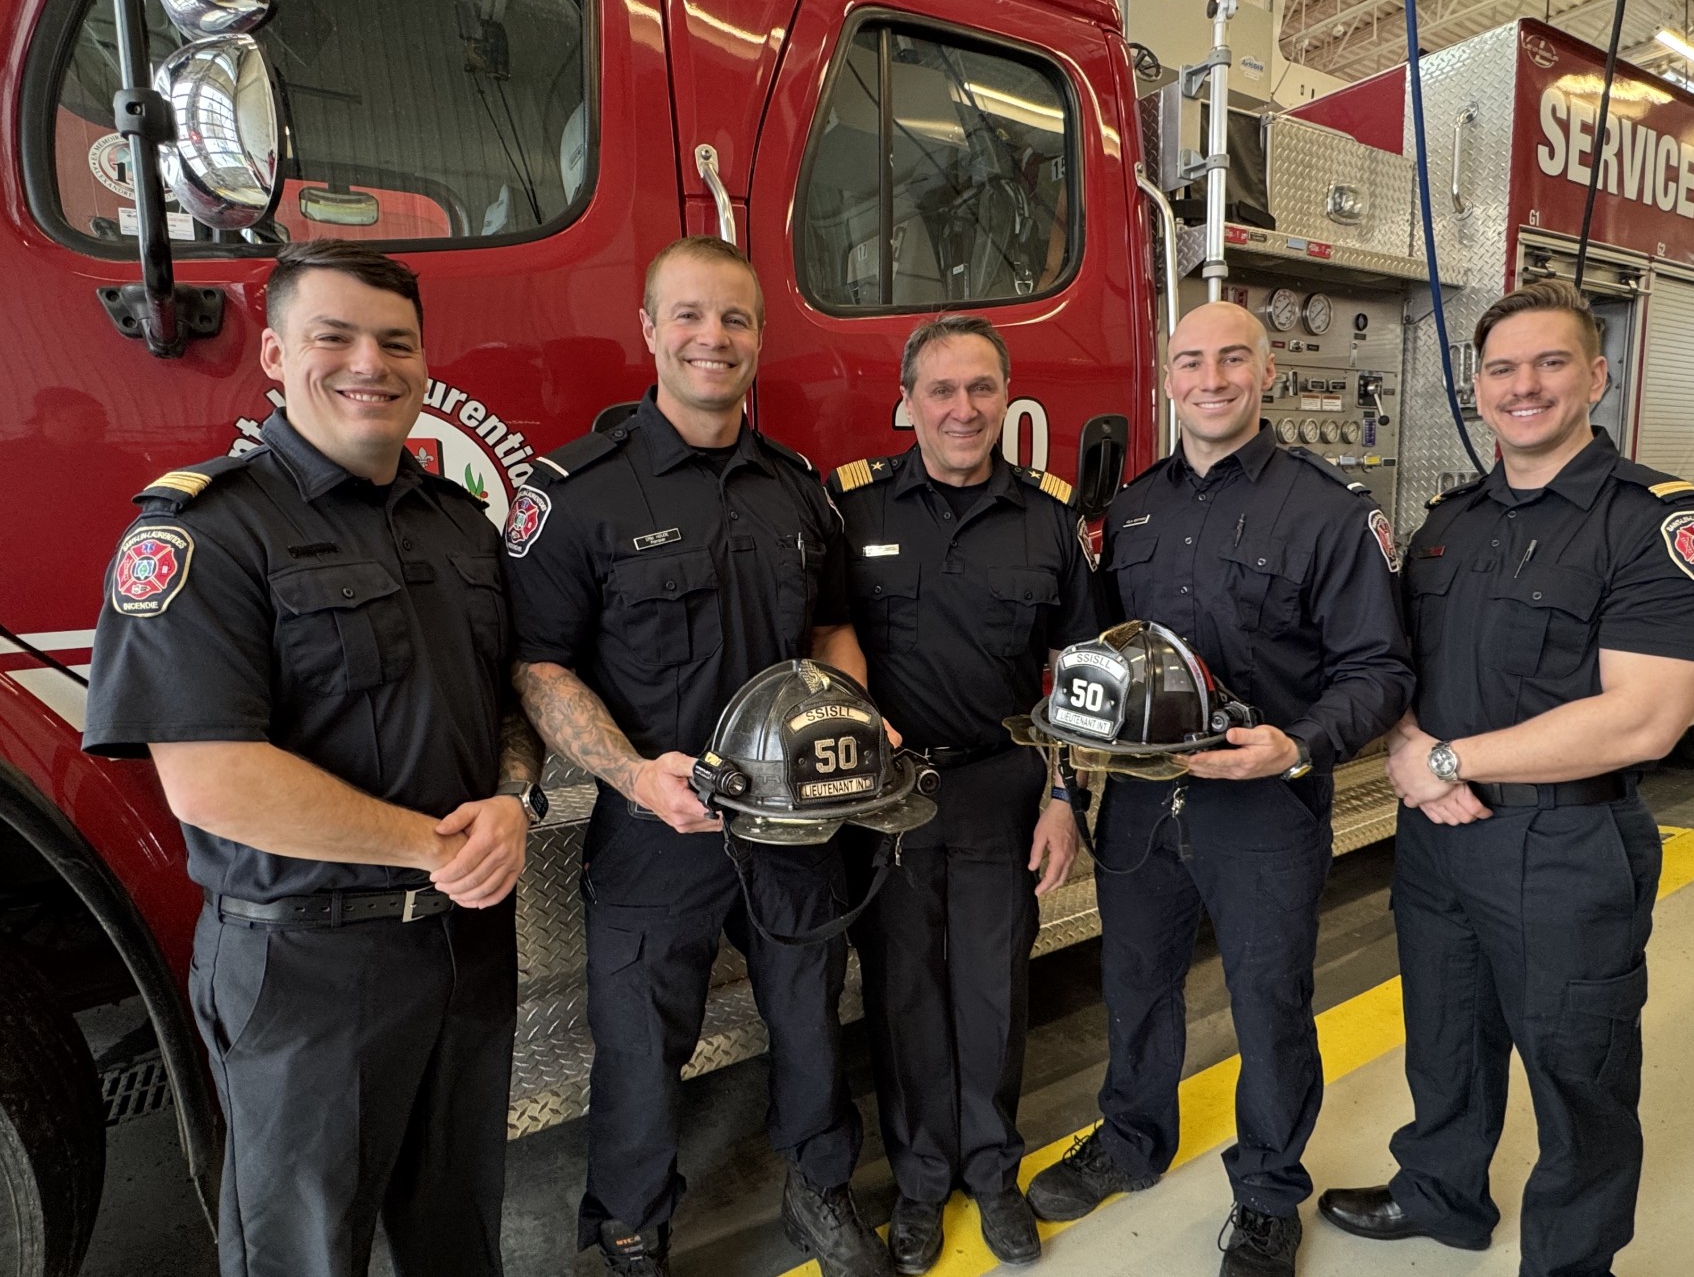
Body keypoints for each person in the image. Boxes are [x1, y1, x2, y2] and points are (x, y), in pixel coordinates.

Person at [83, 239, 535, 1277]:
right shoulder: (208, 531)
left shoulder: (460, 526)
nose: (370, 363)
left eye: (396, 342)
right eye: (335, 337)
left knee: (460, 1236)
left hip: (465, 946)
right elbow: (213, 782)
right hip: (307, 966)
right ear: (278, 356)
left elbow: (506, 706)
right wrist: (435, 847)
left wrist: (515, 798)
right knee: (305, 1256)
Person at [1318, 281, 1694, 1277]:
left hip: (1565, 847)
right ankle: (1442, 1195)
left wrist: (1446, 762)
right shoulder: (1450, 521)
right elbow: (1399, 662)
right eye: (1503, 369)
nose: (1525, 386)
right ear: (1477, 388)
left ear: (1597, 376)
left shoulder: (1657, 525)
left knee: (1577, 1069)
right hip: (1440, 834)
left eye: (1551, 363)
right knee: (1444, 1037)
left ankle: (1570, 1261)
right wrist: (1411, 751)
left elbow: (1645, 717)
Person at [505, 236, 890, 1277]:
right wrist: (634, 777)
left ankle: (820, 1190)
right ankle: (632, 1231)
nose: (711, 337)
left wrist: (851, 716)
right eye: (687, 314)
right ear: (648, 329)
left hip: (793, 823)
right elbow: (537, 667)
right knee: (638, 1045)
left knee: (810, 1016)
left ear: (759, 337)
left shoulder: (798, 489)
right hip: (652, 826)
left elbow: (831, 629)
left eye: (734, 318)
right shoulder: (577, 493)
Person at [1025, 301, 1413, 1277]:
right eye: (1190, 361)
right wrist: (1068, 787)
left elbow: (1380, 669)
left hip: (1265, 806)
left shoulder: (1327, 511)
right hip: (1141, 806)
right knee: (1134, 984)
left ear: (1267, 372)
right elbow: (1088, 670)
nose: (1211, 379)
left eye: (1232, 359)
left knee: (1269, 1003)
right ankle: (1131, 1139)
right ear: (1167, 379)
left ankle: (1270, 1193)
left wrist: (1297, 745)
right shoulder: (1132, 512)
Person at [827, 314, 1099, 1272]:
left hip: (1001, 788)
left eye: (982, 387)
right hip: (888, 801)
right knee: (902, 994)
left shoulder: (1049, 518)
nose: (963, 408)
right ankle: (919, 1183)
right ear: (907, 403)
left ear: (1007, 398)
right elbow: (824, 636)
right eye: (940, 389)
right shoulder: (855, 509)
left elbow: (1080, 677)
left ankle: (991, 1175)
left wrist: (1065, 797)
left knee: (994, 994)